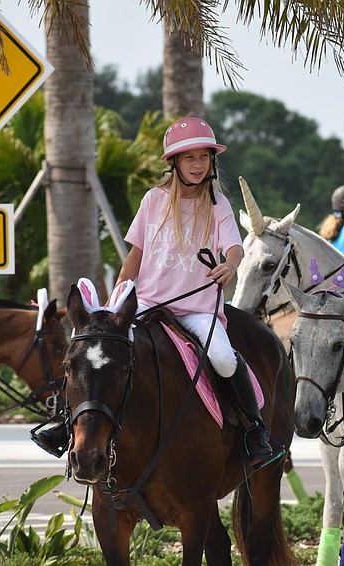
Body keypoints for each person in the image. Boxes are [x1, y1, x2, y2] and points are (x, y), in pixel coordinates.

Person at [116, 116, 275, 468]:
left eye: (204, 157)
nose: (198, 165)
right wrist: (118, 300)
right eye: (190, 158)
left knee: (223, 358)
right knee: (107, 347)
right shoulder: (153, 200)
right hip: (150, 303)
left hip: (198, 310)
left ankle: (254, 429)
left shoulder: (217, 204)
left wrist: (231, 266)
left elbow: (235, 248)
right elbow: (135, 255)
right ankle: (72, 425)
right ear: (174, 162)